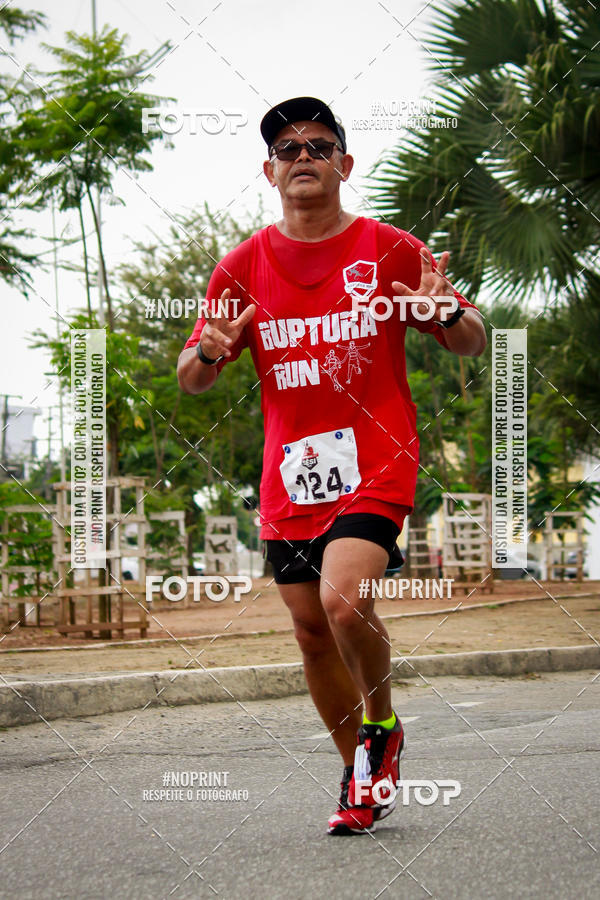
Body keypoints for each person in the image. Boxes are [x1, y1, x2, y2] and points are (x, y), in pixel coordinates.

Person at [177, 96, 487, 835]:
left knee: (347, 601)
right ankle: (360, 774)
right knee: (312, 630)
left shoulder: (389, 248)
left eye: (319, 145)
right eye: (288, 149)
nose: (303, 156)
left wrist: (446, 314)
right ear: (270, 171)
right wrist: (211, 351)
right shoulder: (241, 266)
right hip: (290, 473)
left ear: (344, 165)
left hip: (377, 457)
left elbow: (471, 337)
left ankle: (381, 725)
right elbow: (191, 374)